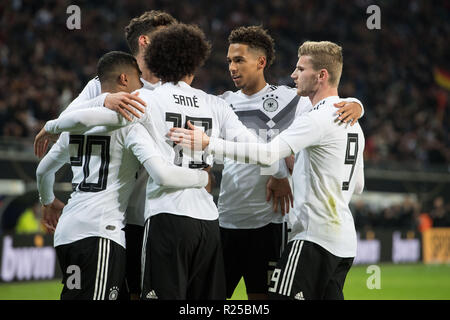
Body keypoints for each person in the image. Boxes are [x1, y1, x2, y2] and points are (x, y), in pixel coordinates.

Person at [37, 23, 291, 299]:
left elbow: (87, 120)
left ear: (156, 59)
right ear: (196, 61)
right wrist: (211, 146)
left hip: (166, 218)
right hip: (207, 221)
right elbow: (265, 154)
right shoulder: (216, 105)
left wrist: (53, 125)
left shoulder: (146, 99)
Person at [169, 40, 365, 300]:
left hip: (312, 234)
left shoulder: (314, 115)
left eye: (300, 69)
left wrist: (208, 143)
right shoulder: (352, 123)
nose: (293, 74)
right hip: (343, 241)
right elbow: (358, 184)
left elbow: (268, 153)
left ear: (321, 75)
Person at [36, 51, 210, 300]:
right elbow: (161, 173)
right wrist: (202, 178)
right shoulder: (130, 123)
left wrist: (48, 200)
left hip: (67, 232)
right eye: (138, 77)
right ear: (124, 79)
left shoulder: (71, 127)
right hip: (101, 231)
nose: (142, 84)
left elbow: (43, 170)